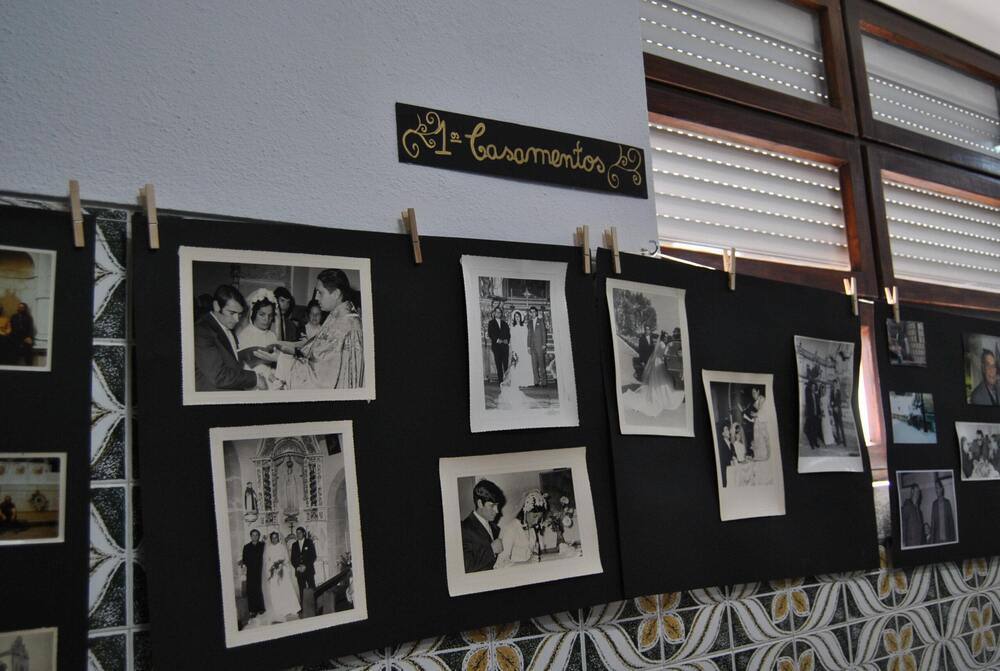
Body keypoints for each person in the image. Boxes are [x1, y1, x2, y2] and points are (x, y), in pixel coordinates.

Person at [270, 269, 364, 390]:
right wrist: (284, 347)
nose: (316, 297)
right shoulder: (339, 317)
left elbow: (319, 379)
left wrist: (282, 360)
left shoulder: (342, 326)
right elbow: (315, 349)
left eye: (320, 292)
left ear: (336, 293)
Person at [194, 285, 268, 392]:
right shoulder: (201, 331)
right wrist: (255, 378)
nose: (236, 319)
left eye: (239, 314)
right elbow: (219, 376)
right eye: (232, 313)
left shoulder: (225, 324)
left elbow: (230, 360)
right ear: (216, 306)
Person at [620, 330, 684, 417]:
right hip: (660, 364)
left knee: (659, 380)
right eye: (665, 337)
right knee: (663, 380)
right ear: (663, 337)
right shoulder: (662, 344)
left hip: (657, 363)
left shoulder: (660, 343)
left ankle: (659, 395)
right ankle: (663, 398)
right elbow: (665, 355)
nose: (666, 338)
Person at [461, 479, 505, 573]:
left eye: (497, 506)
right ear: (480, 503)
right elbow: (465, 567)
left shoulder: (495, 527)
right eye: (492, 506)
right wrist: (491, 550)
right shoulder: (464, 529)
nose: (497, 511)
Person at [495, 490, 547, 567]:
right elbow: (500, 564)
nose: (536, 521)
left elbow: (534, 552)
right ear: (525, 511)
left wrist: (534, 555)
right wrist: (527, 563)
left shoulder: (531, 529)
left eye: (539, 518)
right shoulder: (512, 528)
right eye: (534, 516)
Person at [236, 290, 280, 380]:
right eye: (262, 315)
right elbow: (244, 366)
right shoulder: (245, 335)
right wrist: (266, 375)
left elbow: (275, 363)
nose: (266, 319)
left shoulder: (272, 335)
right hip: (253, 379)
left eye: (270, 315)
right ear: (254, 313)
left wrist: (273, 373)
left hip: (272, 377)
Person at [261, 531, 300, 623]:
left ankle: (290, 608)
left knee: (286, 589)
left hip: (283, 571)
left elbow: (286, 559)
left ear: (278, 538)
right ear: (271, 539)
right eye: (273, 538)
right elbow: (266, 561)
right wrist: (272, 567)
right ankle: (278, 610)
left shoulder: (282, 547)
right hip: (273, 572)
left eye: (276, 537)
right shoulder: (268, 548)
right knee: (275, 590)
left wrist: (281, 565)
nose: (274, 539)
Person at [239, 529, 266, 618]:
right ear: (250, 536)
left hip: (261, 571)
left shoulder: (262, 545)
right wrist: (242, 563)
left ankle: (261, 608)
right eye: (253, 535)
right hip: (250, 572)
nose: (255, 537)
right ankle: (252, 610)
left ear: (258, 536)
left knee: (259, 589)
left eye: (256, 535)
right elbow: (244, 559)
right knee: (251, 590)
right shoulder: (246, 547)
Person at [290, 527, 317, 602]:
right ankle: (304, 606)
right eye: (297, 533)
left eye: (300, 532)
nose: (298, 534)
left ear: (304, 533)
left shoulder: (309, 542)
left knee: (312, 588)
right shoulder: (294, 545)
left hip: (308, 570)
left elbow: (313, 556)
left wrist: (305, 566)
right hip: (299, 571)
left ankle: (315, 605)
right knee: (302, 590)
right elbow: (292, 559)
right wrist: (297, 567)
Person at [508, 311, 534, 388]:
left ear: (521, 317)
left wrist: (528, 347)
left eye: (518, 316)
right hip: (517, 348)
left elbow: (527, 337)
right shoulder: (512, 327)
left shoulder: (524, 326)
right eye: (516, 316)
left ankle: (525, 382)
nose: (517, 318)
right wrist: (513, 350)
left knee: (525, 364)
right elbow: (512, 339)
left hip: (524, 347)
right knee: (517, 365)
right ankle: (518, 382)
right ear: (514, 318)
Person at [486, 307, 510, 385]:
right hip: (496, 347)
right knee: (498, 365)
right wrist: (497, 340)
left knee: (506, 365)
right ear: (494, 313)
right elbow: (490, 333)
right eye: (496, 312)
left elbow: (508, 334)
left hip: (505, 347)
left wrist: (507, 340)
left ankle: (507, 380)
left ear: (501, 313)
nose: (498, 313)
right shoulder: (491, 323)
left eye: (499, 312)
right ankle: (501, 382)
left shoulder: (505, 323)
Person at [929, 478, 956, 544]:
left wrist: (953, 539)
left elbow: (951, 522)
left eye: (938, 488)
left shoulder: (947, 503)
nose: (936, 490)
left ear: (941, 489)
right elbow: (932, 523)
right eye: (935, 488)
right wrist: (932, 541)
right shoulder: (934, 504)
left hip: (947, 538)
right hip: (937, 539)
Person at [526, 307, 547, 387]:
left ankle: (544, 382)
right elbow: (529, 335)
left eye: (534, 312)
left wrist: (544, 344)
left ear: (536, 312)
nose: (532, 313)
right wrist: (528, 346)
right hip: (532, 347)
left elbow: (543, 333)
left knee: (542, 365)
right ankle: (536, 382)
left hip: (540, 346)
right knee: (534, 365)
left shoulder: (540, 321)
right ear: (530, 313)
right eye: (531, 312)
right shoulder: (529, 323)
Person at [803, 367, 822, 449]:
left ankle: (815, 442)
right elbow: (807, 401)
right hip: (810, 413)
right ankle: (812, 444)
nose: (814, 388)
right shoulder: (808, 391)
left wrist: (819, 413)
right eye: (813, 387)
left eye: (815, 387)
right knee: (811, 429)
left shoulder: (816, 395)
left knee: (815, 428)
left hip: (816, 413)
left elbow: (818, 404)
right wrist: (811, 390)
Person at [716, 422, 735, 488]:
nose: (729, 431)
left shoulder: (731, 445)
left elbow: (734, 456)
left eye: (728, 429)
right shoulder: (720, 445)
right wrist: (730, 461)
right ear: (723, 433)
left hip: (732, 472)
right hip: (725, 473)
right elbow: (722, 460)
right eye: (726, 430)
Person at [830, 379, 846, 446]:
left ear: (837, 384)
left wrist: (837, 407)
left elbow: (840, 401)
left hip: (838, 411)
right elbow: (831, 401)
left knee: (841, 427)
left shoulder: (839, 392)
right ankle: (839, 441)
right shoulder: (831, 392)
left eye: (835, 384)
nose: (834, 385)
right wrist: (833, 406)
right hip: (834, 411)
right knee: (836, 427)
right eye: (833, 384)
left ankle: (844, 441)